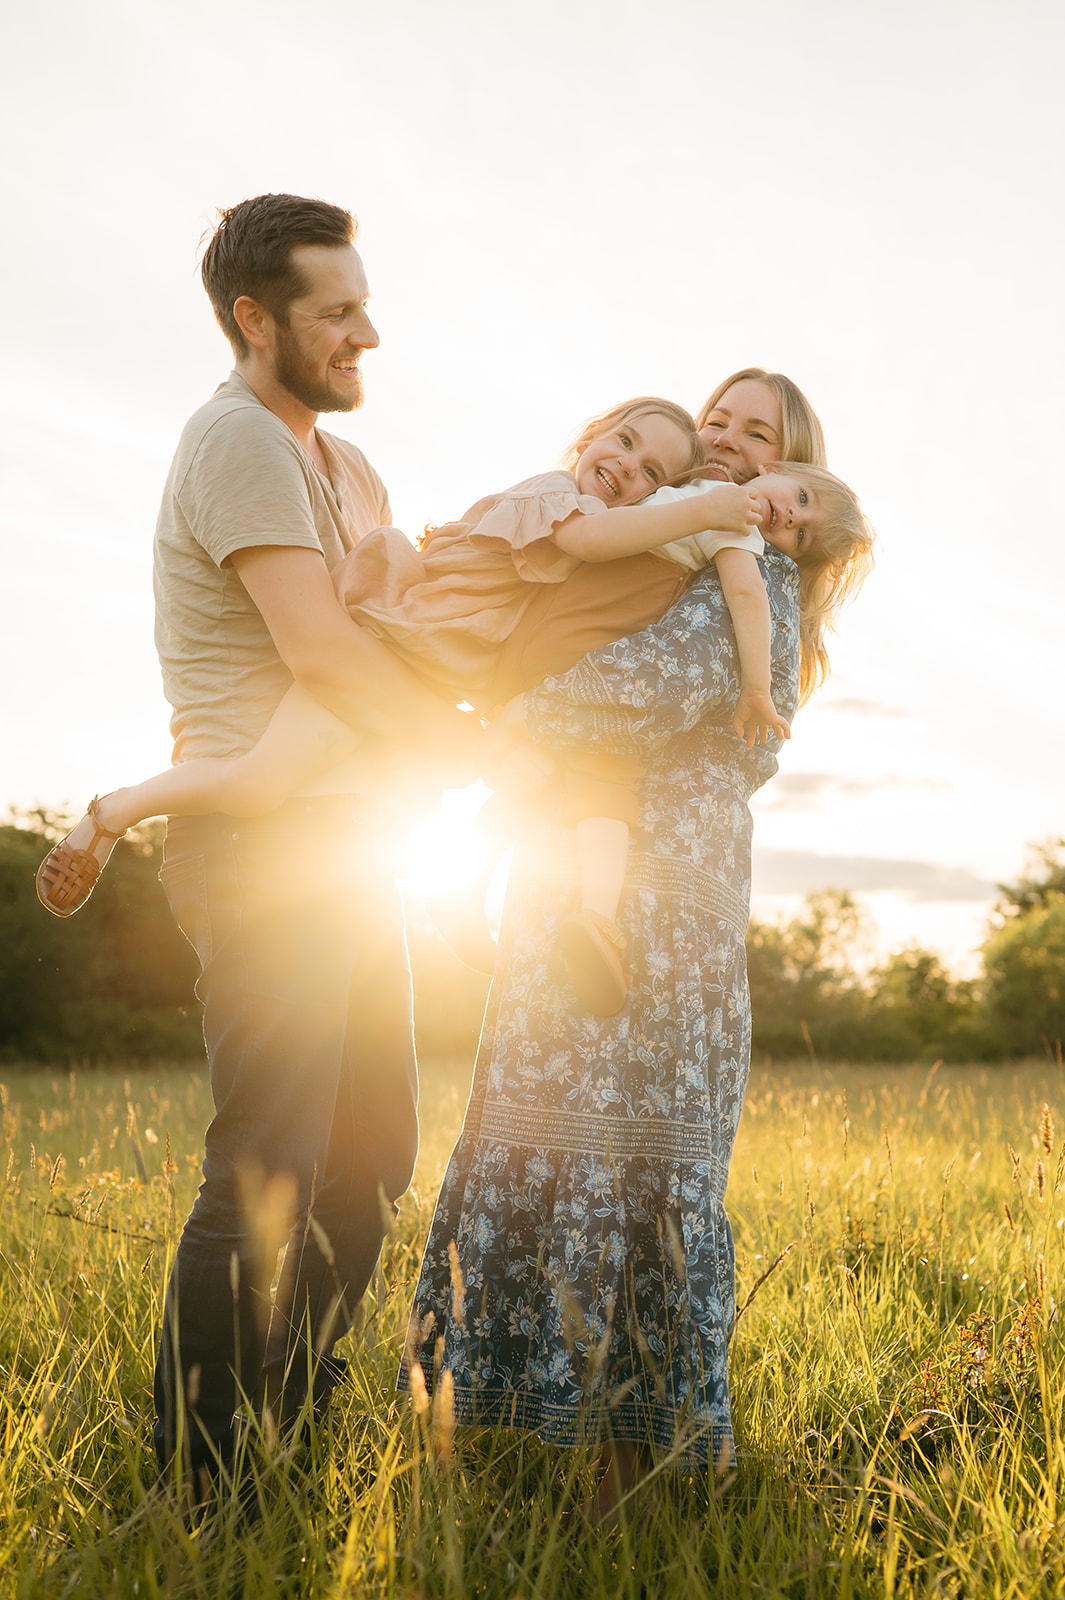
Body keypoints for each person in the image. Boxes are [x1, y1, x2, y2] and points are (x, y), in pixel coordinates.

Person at [399, 370, 873, 1523]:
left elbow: (629, 689)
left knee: (649, 1171)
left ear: (788, 471)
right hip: (580, 883)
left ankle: (636, 1484)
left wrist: (486, 717)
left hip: (667, 912)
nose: (724, 440)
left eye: (755, 435)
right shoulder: (669, 543)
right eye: (715, 420)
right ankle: (488, 1459)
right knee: (542, 1139)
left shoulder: (752, 575)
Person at [36, 395, 858, 1011]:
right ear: (589, 438)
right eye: (624, 443)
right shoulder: (560, 499)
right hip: (388, 655)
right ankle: (111, 814)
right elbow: (589, 546)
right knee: (260, 784)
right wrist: (705, 508)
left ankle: (460, 898)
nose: (630, 469)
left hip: (434, 687)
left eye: (652, 472)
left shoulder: (668, 539)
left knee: (428, 807)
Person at [93, 192, 470, 1491]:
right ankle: (202, 1484)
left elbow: (396, 616)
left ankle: (281, 1430)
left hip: (354, 847)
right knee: (269, 1166)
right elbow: (323, 649)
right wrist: (472, 744)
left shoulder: (347, 469)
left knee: (368, 1169)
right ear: (255, 320)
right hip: (257, 853)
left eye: (365, 303)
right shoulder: (239, 441)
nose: (366, 331)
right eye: (336, 311)